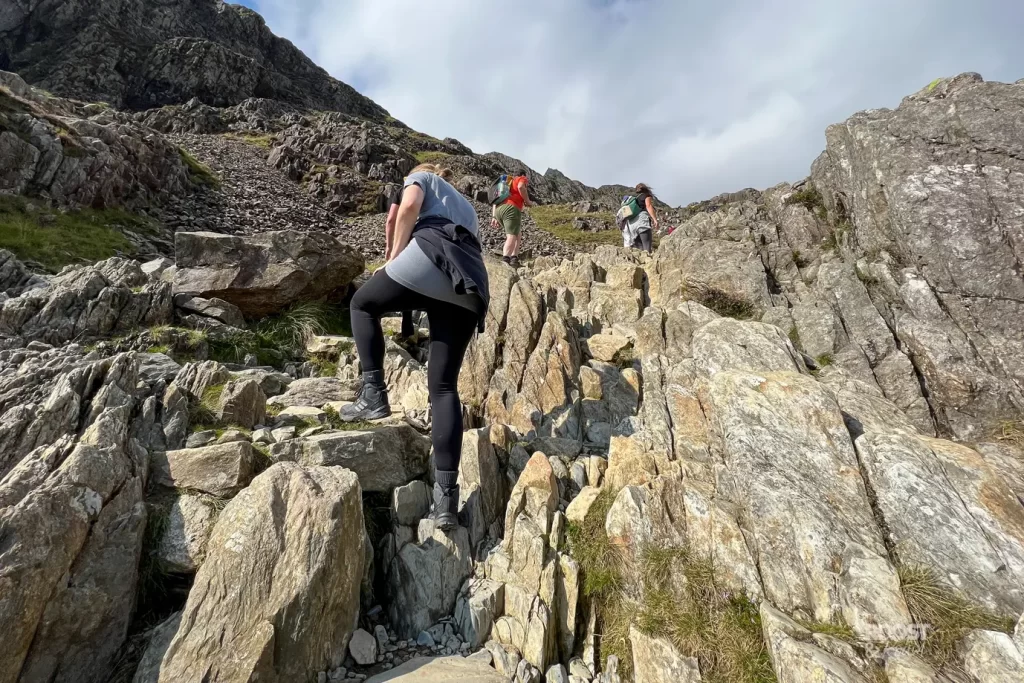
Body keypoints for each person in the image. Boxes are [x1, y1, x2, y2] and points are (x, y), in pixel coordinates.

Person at [343, 163, 489, 531]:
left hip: (431, 254)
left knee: (362, 304)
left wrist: (390, 260)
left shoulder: (422, 177)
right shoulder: (467, 207)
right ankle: (445, 502)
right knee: (443, 388)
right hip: (470, 282)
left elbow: (406, 210)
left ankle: (374, 394)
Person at [385, 168, 452, 340]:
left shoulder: (405, 189)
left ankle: (406, 325)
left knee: (405, 279)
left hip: (412, 240)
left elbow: (392, 219)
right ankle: (435, 335)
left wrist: (390, 247)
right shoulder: (443, 192)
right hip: (440, 241)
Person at [491, 169, 533, 268]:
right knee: (511, 236)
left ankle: (514, 258)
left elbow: (495, 200)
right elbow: (521, 186)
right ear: (523, 175)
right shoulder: (521, 178)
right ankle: (505, 261)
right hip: (511, 209)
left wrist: (494, 216)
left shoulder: (506, 184)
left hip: (499, 210)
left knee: (517, 233)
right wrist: (527, 201)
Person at [624, 183, 659, 254]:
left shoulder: (635, 199)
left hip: (632, 225)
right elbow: (648, 206)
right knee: (646, 246)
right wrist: (655, 219)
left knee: (639, 249)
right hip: (642, 222)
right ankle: (648, 262)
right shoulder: (646, 195)